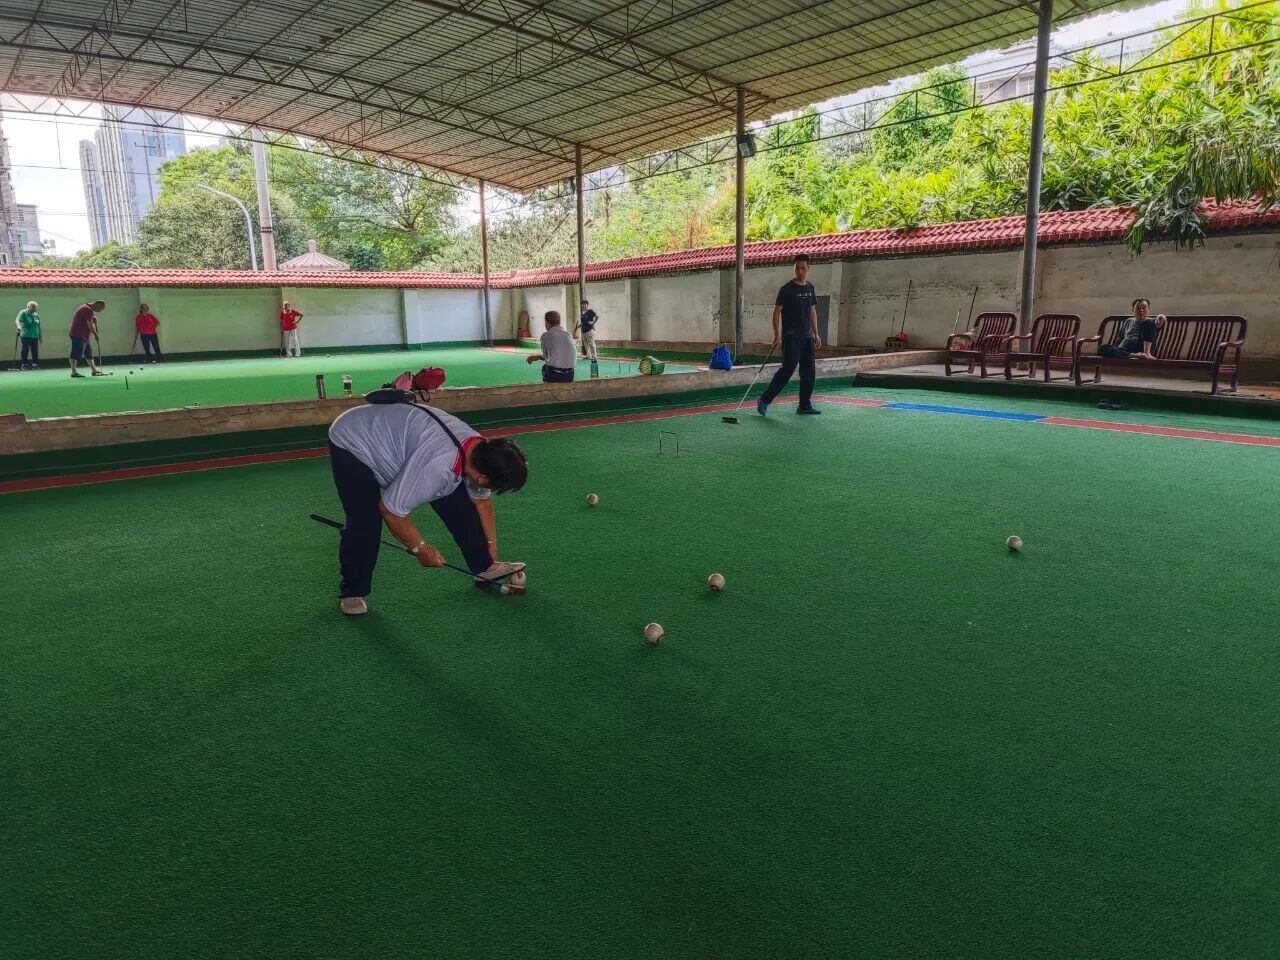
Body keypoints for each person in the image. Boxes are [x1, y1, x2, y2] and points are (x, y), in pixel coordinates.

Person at [327, 402, 529, 616]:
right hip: (353, 438)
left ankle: (484, 568)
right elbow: (391, 510)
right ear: (481, 478)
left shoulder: (481, 452)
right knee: (365, 521)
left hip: (395, 435)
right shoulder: (438, 466)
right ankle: (352, 591)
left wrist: (490, 546)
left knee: (458, 503)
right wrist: (420, 549)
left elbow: (481, 503)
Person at [757, 252, 823, 416]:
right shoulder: (786, 289)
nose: (800, 271)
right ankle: (764, 400)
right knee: (787, 371)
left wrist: (816, 334)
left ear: (808, 268)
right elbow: (776, 312)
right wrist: (777, 335)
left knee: (809, 373)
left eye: (803, 268)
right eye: (797, 268)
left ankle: (804, 406)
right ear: (794, 268)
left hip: (807, 337)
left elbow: (812, 311)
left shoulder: (810, 287)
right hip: (791, 337)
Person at [1100, 298, 1166, 359]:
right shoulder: (1128, 321)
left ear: (1148, 309)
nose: (1141, 310)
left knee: (1147, 322)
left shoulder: (1152, 322)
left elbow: (1161, 320)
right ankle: (1132, 355)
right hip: (1125, 351)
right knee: (1102, 348)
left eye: (1144, 308)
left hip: (1140, 349)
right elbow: (1120, 338)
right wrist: (1116, 350)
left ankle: (1146, 354)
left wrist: (1161, 316)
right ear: (1133, 310)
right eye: (1138, 308)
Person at [525, 310, 576, 383]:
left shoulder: (545, 336)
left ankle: (548, 387)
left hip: (554, 375)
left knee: (544, 368)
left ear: (546, 322)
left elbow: (546, 358)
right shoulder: (569, 335)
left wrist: (538, 357)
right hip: (570, 375)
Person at [69, 300, 107, 379]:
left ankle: (94, 370)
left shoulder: (86, 308)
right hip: (78, 334)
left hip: (84, 335)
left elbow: (87, 320)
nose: (99, 311)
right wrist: (96, 335)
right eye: (100, 309)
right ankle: (74, 372)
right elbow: (89, 324)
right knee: (75, 353)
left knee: (88, 353)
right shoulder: (88, 310)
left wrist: (93, 319)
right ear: (97, 305)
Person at [15, 301, 40, 370]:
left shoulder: (36, 315)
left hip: (35, 335)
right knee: (25, 350)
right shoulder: (23, 312)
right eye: (33, 307)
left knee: (35, 350)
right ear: (28, 306)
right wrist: (18, 326)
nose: (34, 309)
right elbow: (17, 320)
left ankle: (35, 364)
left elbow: (38, 326)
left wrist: (40, 336)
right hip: (25, 335)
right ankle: (24, 365)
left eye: (35, 307)